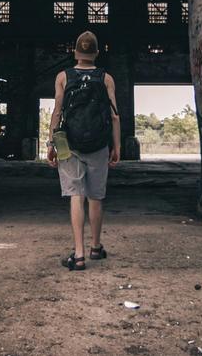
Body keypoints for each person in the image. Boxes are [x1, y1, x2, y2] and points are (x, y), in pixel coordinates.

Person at [47, 31, 121, 271]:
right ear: (96, 53)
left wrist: (51, 144)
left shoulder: (63, 77)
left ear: (75, 52)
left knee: (75, 196)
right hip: (99, 144)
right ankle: (96, 247)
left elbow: (57, 112)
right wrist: (116, 146)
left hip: (70, 144)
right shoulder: (106, 78)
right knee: (96, 196)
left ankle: (78, 255)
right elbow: (114, 116)